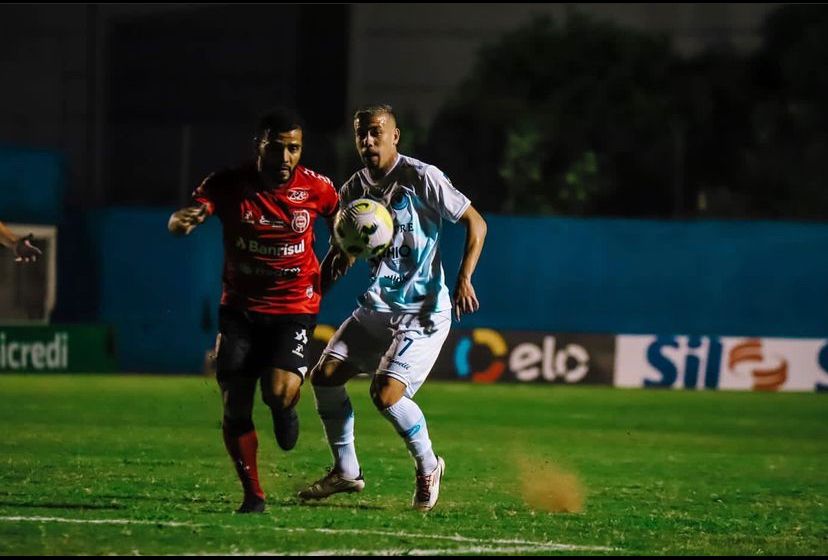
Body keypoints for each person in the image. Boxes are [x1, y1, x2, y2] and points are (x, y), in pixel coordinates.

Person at [298, 104, 487, 511]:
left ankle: (428, 465)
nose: (368, 141)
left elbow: (476, 222)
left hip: (423, 312)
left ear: (395, 136)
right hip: (376, 309)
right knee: (325, 376)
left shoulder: (422, 177)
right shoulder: (353, 190)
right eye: (361, 134)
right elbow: (342, 254)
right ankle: (346, 472)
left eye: (376, 133)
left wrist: (464, 276)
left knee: (385, 394)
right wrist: (309, 302)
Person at [167, 107, 339, 514]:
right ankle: (253, 495)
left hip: (294, 307)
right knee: (234, 405)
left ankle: (285, 410)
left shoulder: (317, 188)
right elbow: (196, 209)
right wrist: (186, 219)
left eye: (294, 148)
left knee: (278, 393)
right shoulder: (228, 184)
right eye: (277, 148)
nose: (285, 158)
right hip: (240, 309)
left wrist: (349, 249)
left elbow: (344, 220)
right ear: (259, 146)